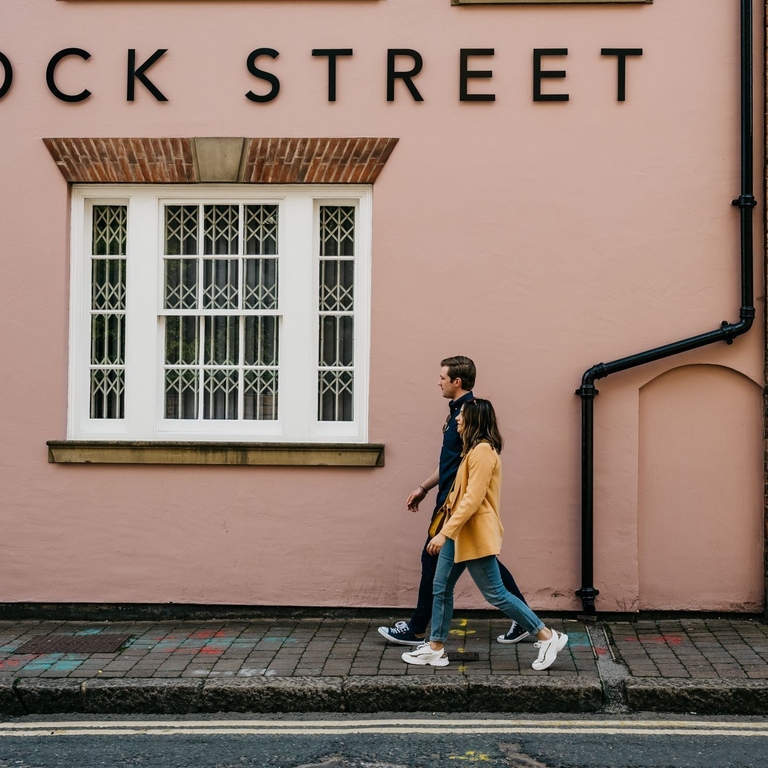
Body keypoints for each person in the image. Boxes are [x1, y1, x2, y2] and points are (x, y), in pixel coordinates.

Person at [401, 398, 569, 671]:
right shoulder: (472, 450)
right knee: (441, 587)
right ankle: (435, 648)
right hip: (460, 532)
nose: (457, 419)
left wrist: (444, 532)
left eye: (463, 416)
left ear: (475, 420)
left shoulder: (482, 452)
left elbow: (472, 499)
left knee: (496, 594)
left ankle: (547, 636)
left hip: (473, 533)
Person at [378, 356, 531, 647]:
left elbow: (473, 466)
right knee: (484, 564)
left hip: (455, 501)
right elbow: (451, 463)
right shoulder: (455, 414)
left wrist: (450, 509)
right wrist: (424, 487)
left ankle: (418, 629)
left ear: (456, 382)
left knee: (439, 560)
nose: (438, 382)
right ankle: (524, 622)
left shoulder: (468, 415)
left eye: (442, 377)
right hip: (447, 497)